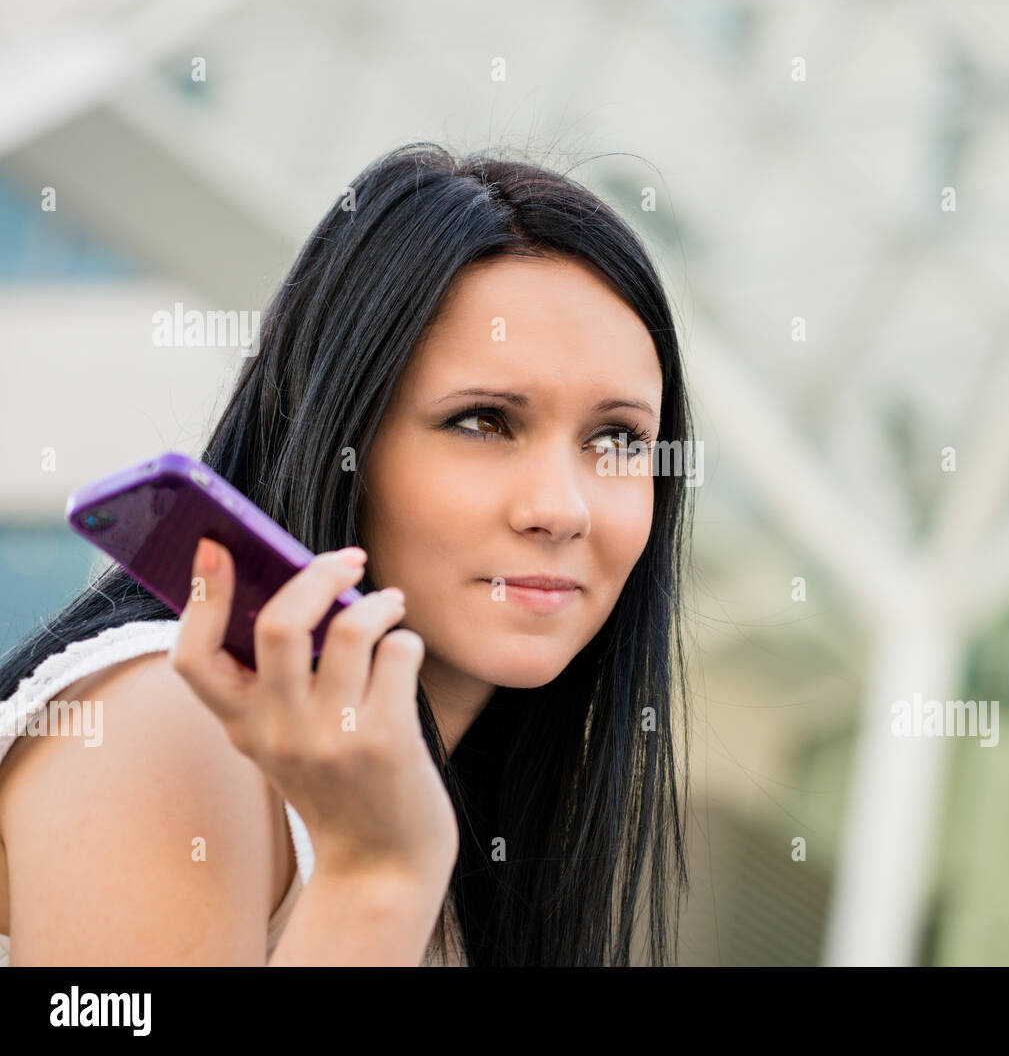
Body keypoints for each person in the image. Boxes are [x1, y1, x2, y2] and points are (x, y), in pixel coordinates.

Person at [0, 141, 695, 966]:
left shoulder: (459, 815)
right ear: (340, 434)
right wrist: (377, 877)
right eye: (483, 421)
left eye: (616, 437)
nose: (560, 508)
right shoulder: (177, 719)